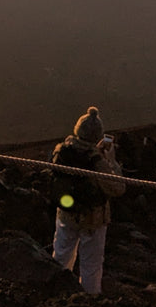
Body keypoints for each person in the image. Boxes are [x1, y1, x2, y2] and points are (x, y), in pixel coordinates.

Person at [50, 106, 126, 295]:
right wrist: (112, 162)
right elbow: (118, 188)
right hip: (92, 219)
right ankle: (89, 301)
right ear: (97, 136)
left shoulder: (62, 150)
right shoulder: (96, 161)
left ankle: (56, 292)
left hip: (66, 214)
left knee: (61, 255)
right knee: (91, 264)